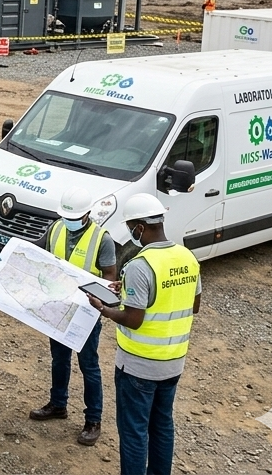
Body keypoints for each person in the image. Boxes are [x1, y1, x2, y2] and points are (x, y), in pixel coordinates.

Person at [89, 194, 200, 475]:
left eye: (130, 227)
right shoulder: (187, 257)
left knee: (134, 432)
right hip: (173, 362)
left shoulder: (141, 265)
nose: (130, 233)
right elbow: (194, 304)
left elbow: (133, 320)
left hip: (139, 365)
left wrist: (104, 308)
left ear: (140, 227)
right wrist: (128, 288)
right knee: (162, 425)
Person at [29, 186, 117, 447]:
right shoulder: (56, 228)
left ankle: (93, 420)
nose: (69, 221)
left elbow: (110, 276)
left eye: (74, 217)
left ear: (87, 214)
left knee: (88, 365)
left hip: (86, 312)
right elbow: (40, 253)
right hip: (58, 307)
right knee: (59, 359)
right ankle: (58, 404)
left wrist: (95, 296)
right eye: (66, 216)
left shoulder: (102, 239)